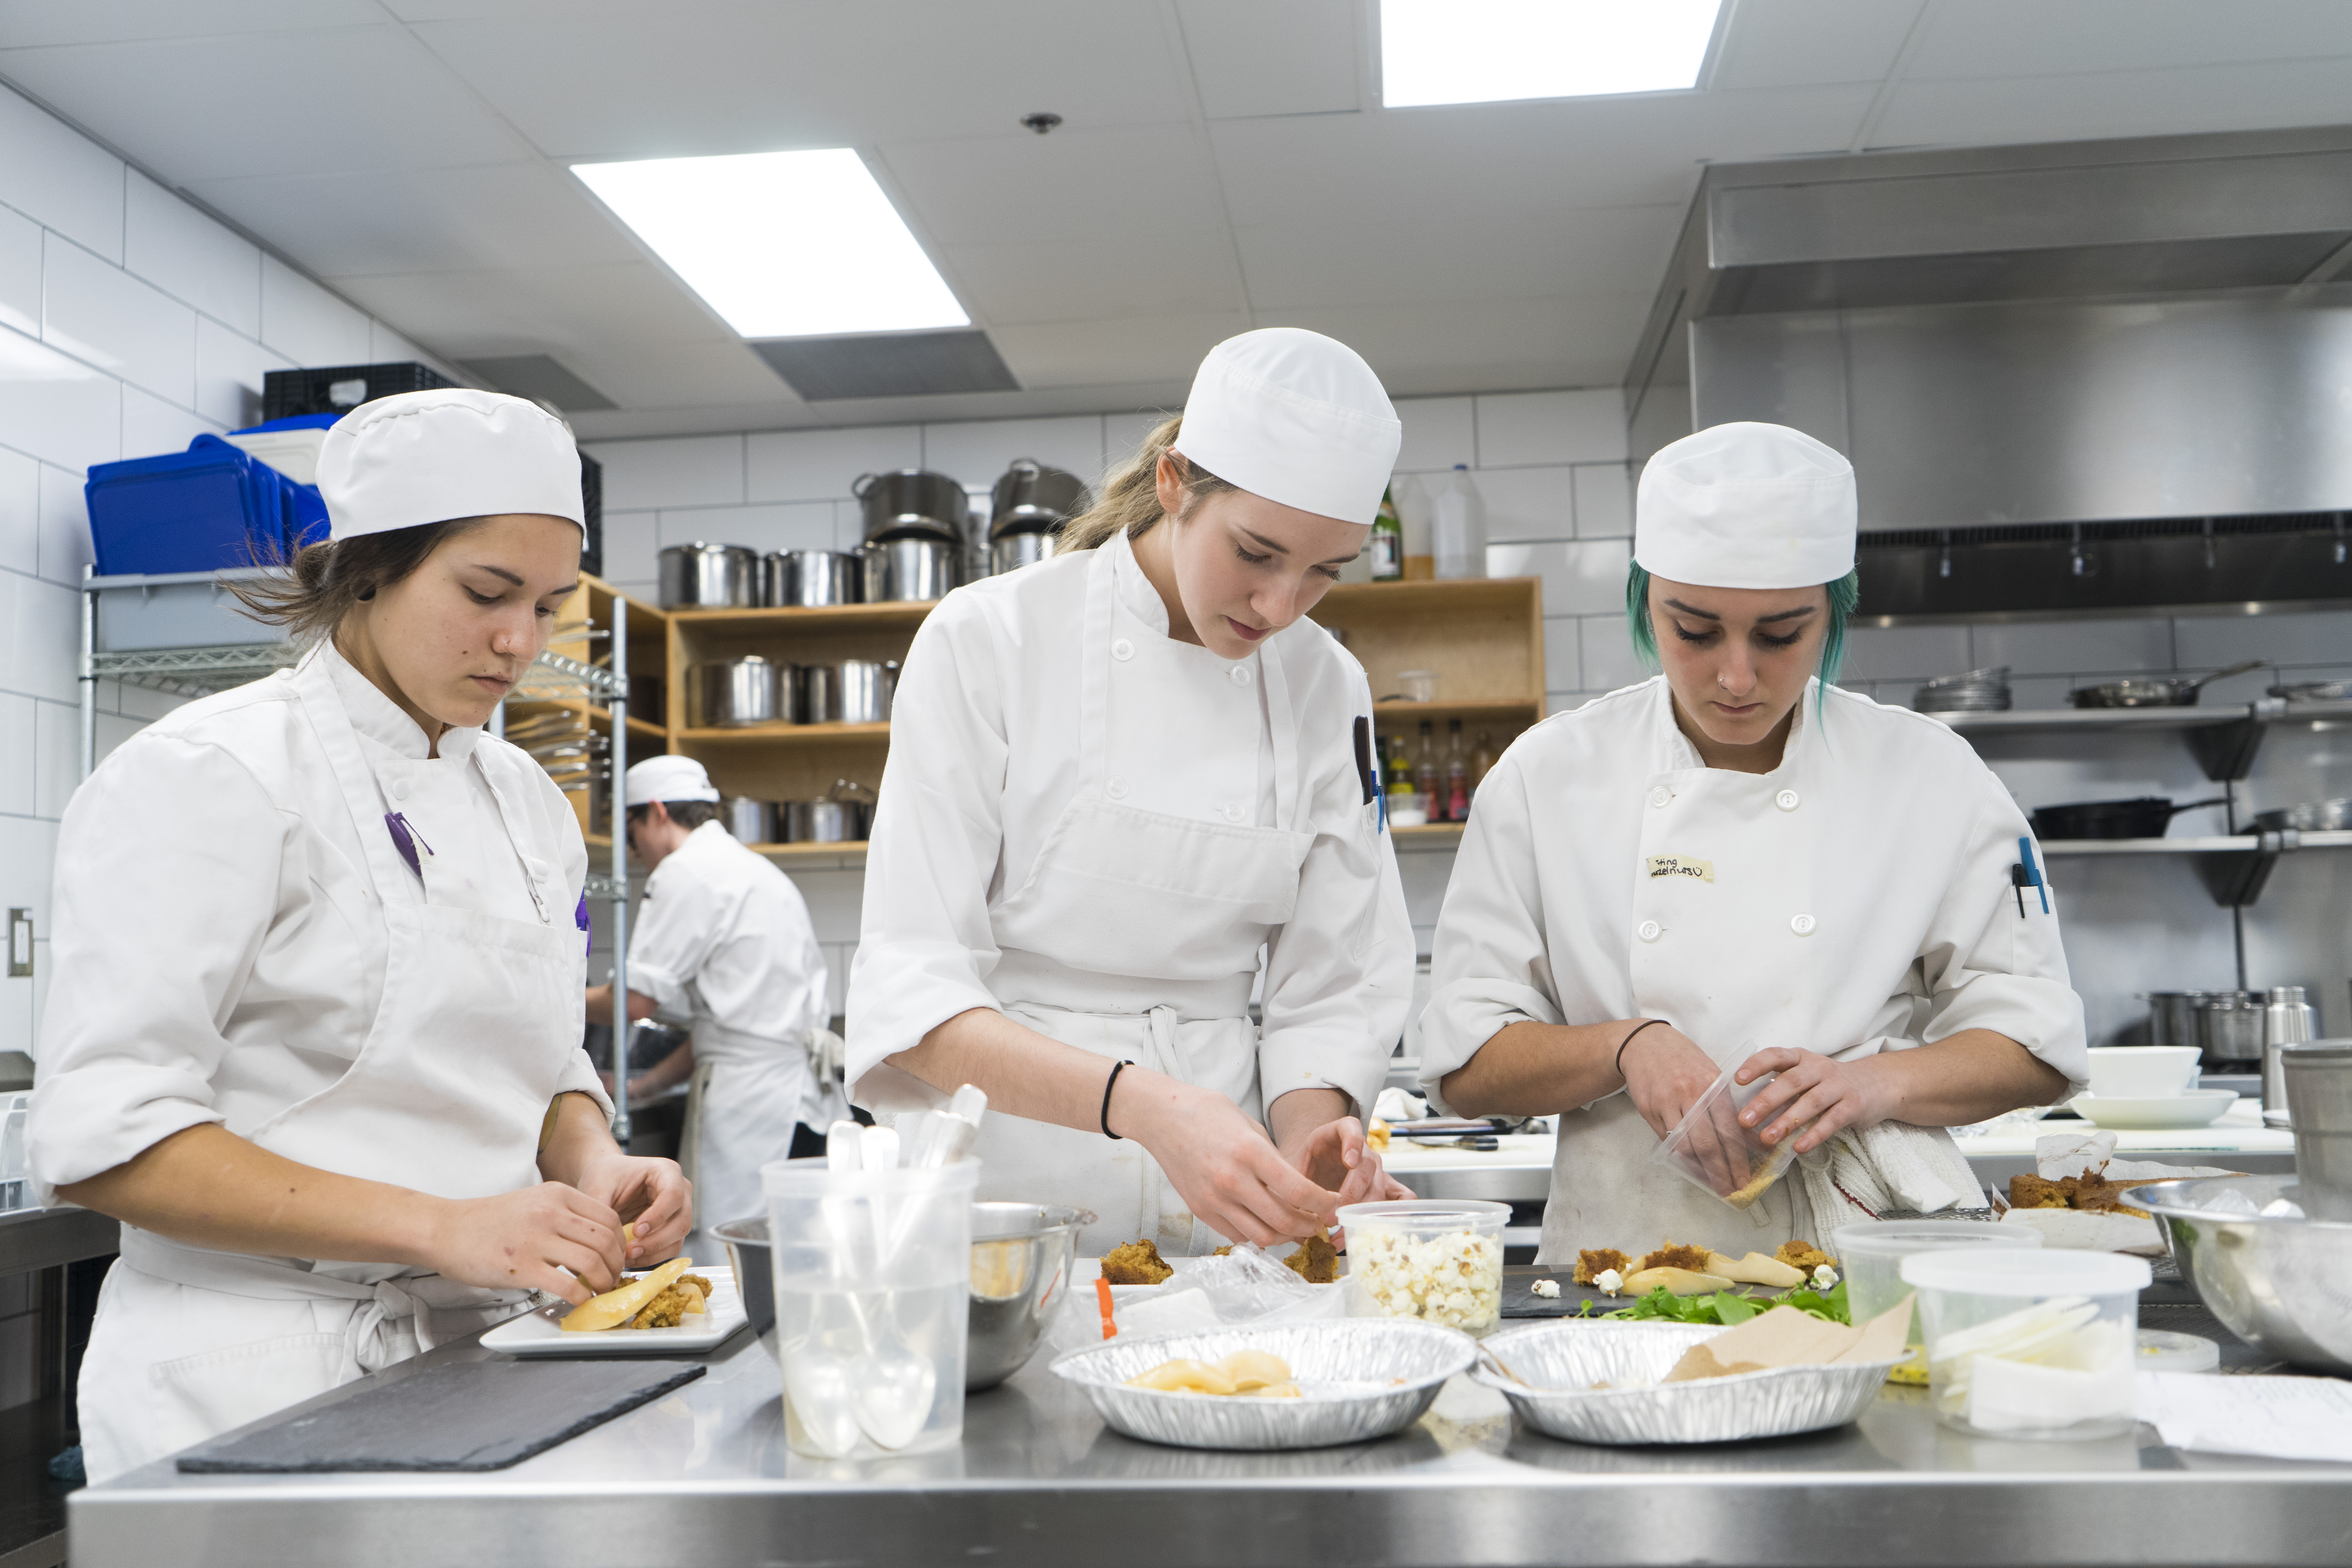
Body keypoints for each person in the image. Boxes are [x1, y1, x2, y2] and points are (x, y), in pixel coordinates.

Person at [29, 390, 691, 1483]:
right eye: (486, 593)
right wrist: (447, 1228)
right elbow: (104, 1138)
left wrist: (598, 1166)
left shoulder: (525, 800)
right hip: (251, 1381)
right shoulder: (215, 774)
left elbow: (542, 1058)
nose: (518, 642)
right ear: (366, 569)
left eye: (547, 604)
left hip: (490, 1361)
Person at [1418, 422, 2086, 1261]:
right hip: (1626, 1257)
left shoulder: (1931, 776)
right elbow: (1464, 1060)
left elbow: (2038, 1045)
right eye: (1694, 631)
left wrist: (1874, 1083)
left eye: (1780, 635)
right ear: (1645, 598)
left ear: (1835, 610)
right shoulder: (1548, 776)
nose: (1736, 677)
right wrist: (1626, 1046)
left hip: (1869, 1251)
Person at [848, 328, 1417, 1257]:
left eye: (1324, 571)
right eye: (1257, 552)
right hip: (1001, 1201)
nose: (1280, 606)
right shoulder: (993, 639)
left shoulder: (1327, 684)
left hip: (1223, 1212)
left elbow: (1330, 985)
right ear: (1173, 483)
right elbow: (911, 995)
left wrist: (1310, 1144)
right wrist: (1144, 1105)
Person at [587, 754, 844, 1241]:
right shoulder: (754, 871)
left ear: (657, 812)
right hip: (801, 1103)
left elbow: (633, 1002)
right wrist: (643, 1087)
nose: (634, 849)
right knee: (793, 1252)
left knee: (731, 1248)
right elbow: (727, 1027)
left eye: (632, 831)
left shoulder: (687, 872)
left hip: (750, 1106)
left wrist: (551, 994)